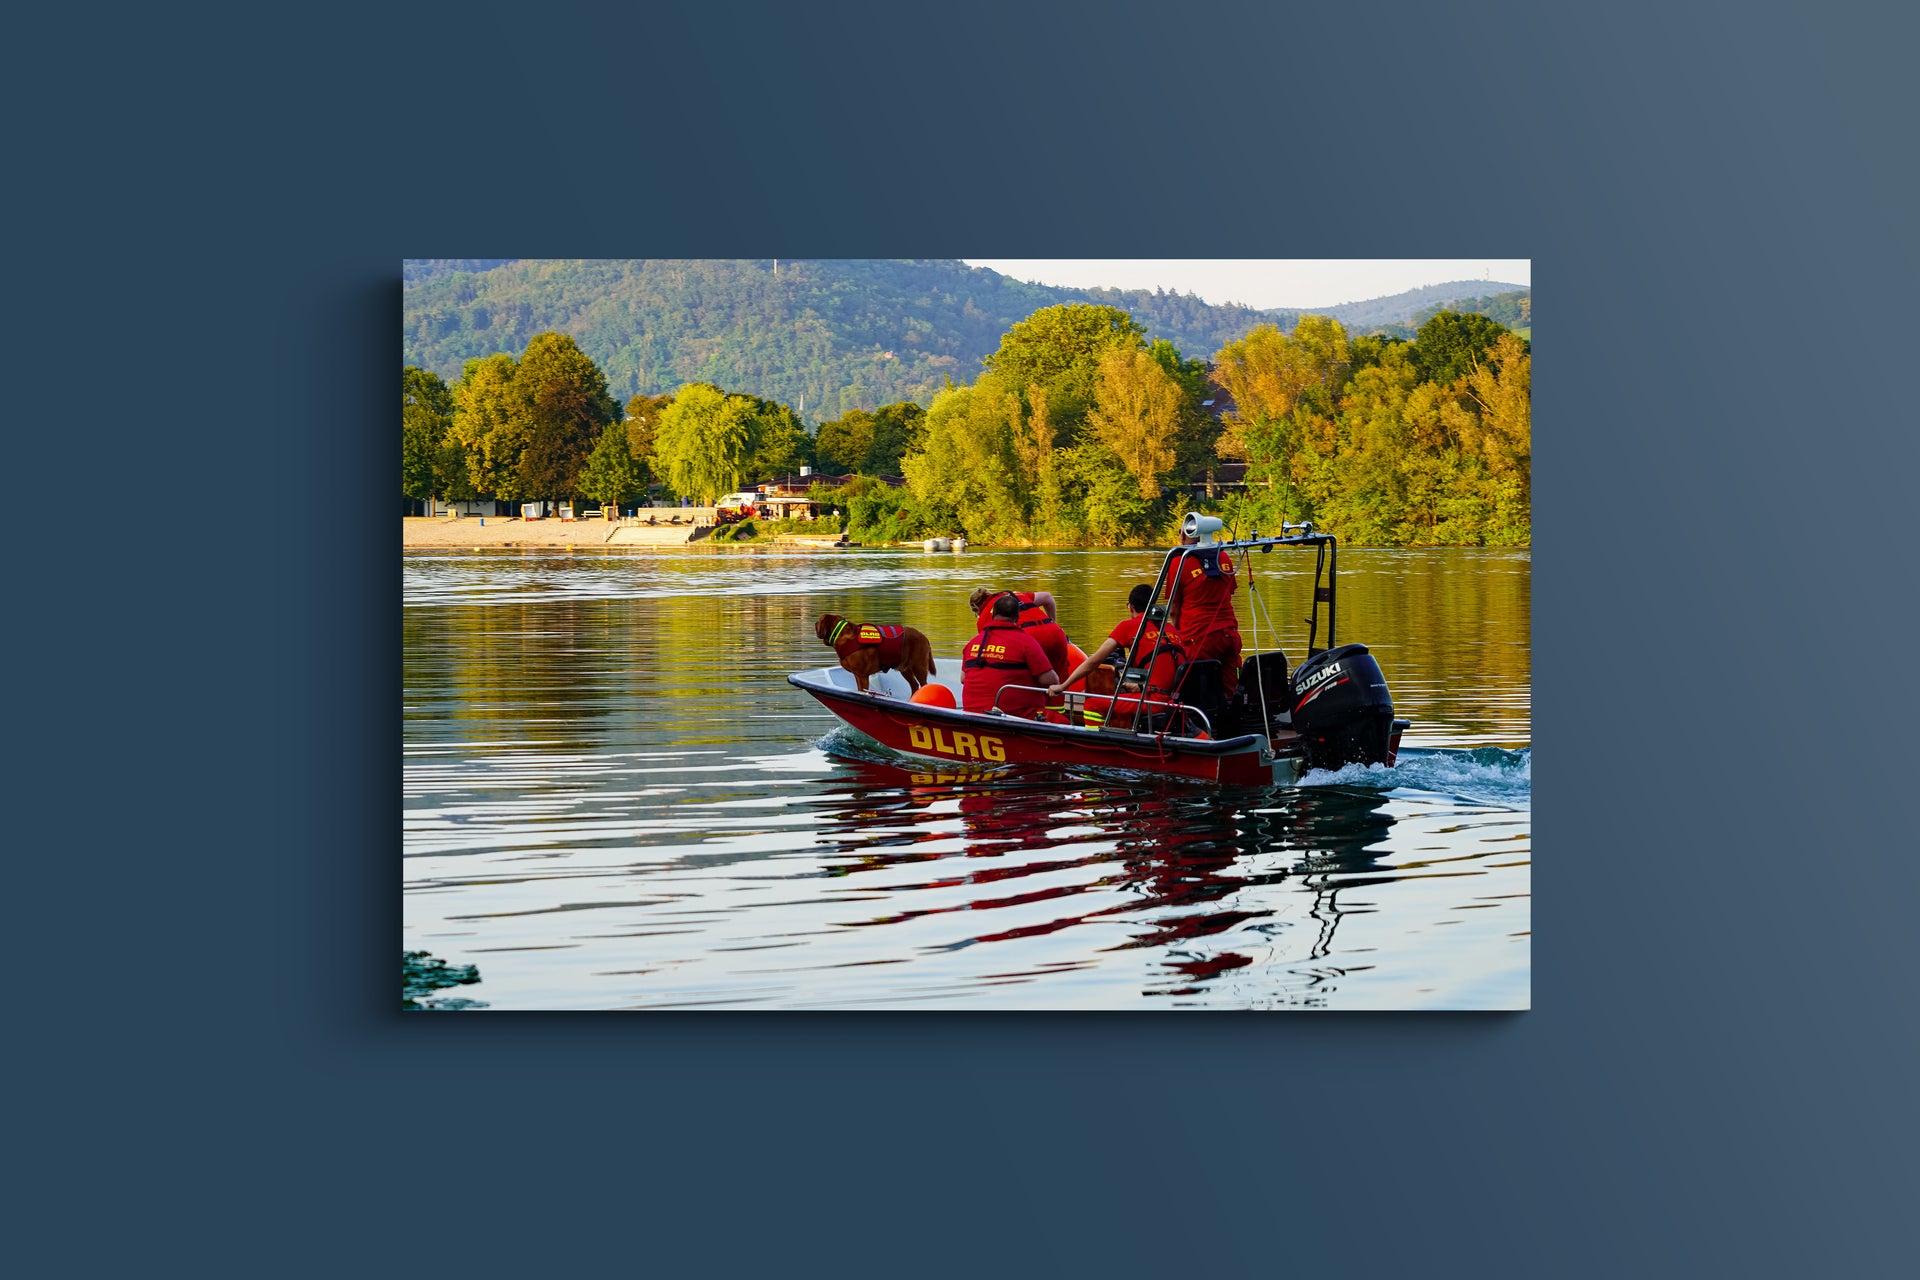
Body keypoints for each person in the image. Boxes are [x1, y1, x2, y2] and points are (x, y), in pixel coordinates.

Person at [1049, 583, 1185, 726]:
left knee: (1092, 705)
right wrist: (1140, 687)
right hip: (1176, 700)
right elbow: (1166, 670)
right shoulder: (1172, 630)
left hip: (1155, 702)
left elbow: (1094, 661)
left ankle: (1096, 744)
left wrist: (1063, 686)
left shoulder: (1129, 627)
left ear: (1131, 607)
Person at [1166, 528, 1242, 696]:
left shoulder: (1179, 560)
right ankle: (1234, 715)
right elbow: (1228, 593)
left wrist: (1179, 636)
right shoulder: (1223, 556)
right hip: (1229, 634)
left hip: (1198, 637)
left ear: (1183, 535)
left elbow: (1174, 610)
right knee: (1230, 688)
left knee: (1196, 690)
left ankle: (1200, 718)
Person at [962, 593, 1062, 718]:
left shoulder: (973, 643)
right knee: (1062, 722)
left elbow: (963, 678)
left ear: (992, 615)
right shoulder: (1026, 642)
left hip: (972, 715)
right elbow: (1051, 680)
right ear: (1017, 617)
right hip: (1017, 715)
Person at [967, 586, 1072, 678]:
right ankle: (1059, 701)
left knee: (1028, 680)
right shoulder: (1015, 595)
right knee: (1059, 681)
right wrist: (1052, 621)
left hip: (1029, 637)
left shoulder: (984, 617)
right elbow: (1047, 597)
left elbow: (987, 650)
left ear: (977, 609)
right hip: (1056, 633)